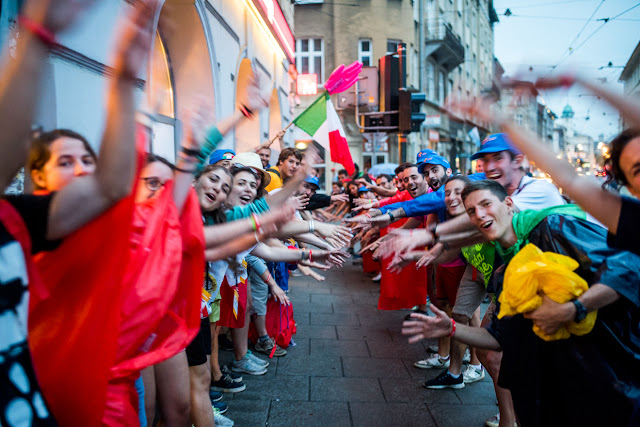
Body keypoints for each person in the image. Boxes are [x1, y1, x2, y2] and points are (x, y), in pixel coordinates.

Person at [403, 179, 640, 426]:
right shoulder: (505, 271)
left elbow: (629, 265)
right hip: (565, 383)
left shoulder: (554, 227)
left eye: (486, 204)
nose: (480, 214)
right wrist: (452, 328)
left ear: (508, 204)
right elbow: (497, 337)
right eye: (472, 211)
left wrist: (574, 308)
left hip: (618, 373)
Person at [449, 95, 640, 257]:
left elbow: (569, 179)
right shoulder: (630, 218)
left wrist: (434, 235)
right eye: (485, 161)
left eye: (497, 159)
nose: (489, 167)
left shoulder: (538, 189)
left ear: (518, 161)